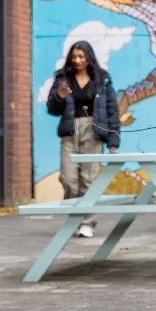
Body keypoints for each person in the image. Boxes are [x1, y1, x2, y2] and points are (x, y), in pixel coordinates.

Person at [47, 41, 121, 238]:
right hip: (70, 131)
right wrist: (59, 97)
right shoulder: (63, 78)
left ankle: (87, 223)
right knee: (68, 179)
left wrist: (113, 138)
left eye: (81, 56)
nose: (78, 60)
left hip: (93, 131)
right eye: (74, 57)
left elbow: (111, 109)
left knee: (88, 180)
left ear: (88, 57)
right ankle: (74, 219)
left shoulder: (101, 79)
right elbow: (52, 109)